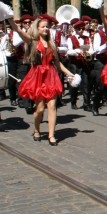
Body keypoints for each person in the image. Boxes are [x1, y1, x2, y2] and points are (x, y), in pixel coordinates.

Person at [7, 15, 76, 146]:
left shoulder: (52, 44)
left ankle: (51, 135)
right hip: (38, 75)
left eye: (47, 27)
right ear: (37, 29)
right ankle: (37, 130)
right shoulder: (32, 42)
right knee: (39, 109)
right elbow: (20, 31)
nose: (46, 29)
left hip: (50, 75)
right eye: (43, 27)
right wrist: (10, 19)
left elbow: (57, 63)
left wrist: (70, 74)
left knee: (52, 106)